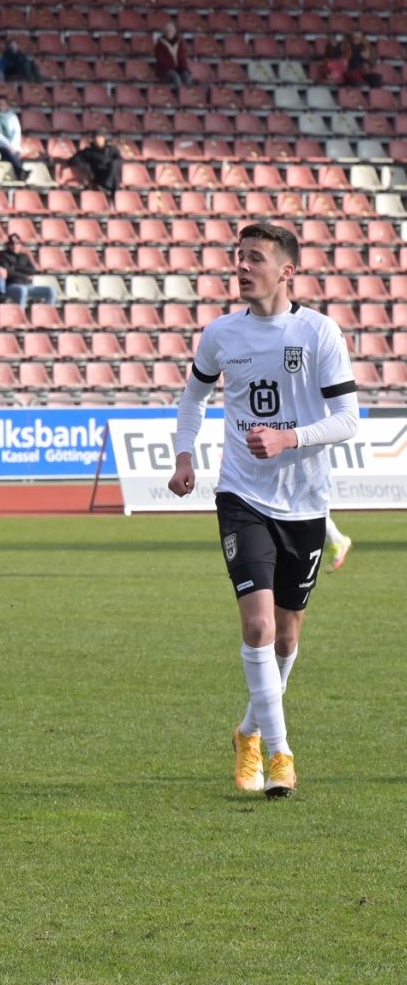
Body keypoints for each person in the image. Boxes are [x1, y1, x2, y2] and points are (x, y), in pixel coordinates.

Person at [167, 223, 359, 801]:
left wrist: (288, 438)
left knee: (286, 638)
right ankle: (280, 754)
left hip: (305, 502)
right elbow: (194, 396)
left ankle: (248, 731)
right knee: (258, 626)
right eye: (239, 257)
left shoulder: (319, 332)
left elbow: (348, 420)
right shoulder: (221, 333)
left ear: (286, 270)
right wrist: (184, 455)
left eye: (255, 258)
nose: (243, 266)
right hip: (241, 496)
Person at [0, 235, 54, 307]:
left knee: (51, 290)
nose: (15, 246)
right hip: (13, 285)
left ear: (20, 245)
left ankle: (48, 311)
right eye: (12, 244)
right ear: (8, 245)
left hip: (28, 285)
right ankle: (21, 313)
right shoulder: (3, 256)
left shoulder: (24, 256)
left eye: (17, 244)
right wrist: (24, 276)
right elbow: (9, 273)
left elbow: (32, 270)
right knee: (22, 290)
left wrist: (16, 267)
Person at [0, 94, 29, 179]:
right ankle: (20, 171)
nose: (1, 105)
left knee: (14, 154)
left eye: (3, 104)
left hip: (13, 146)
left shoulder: (12, 116)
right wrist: (8, 145)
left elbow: (17, 132)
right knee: (8, 152)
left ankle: (19, 174)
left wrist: (13, 145)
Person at [72, 128, 122, 193]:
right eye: (97, 138)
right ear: (93, 140)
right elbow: (75, 159)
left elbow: (119, 160)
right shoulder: (88, 151)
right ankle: (109, 188)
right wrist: (86, 168)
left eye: (100, 138)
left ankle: (108, 186)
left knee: (115, 164)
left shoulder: (112, 149)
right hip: (98, 176)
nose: (98, 140)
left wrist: (110, 164)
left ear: (104, 139)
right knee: (113, 167)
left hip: (112, 175)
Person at [155, 20, 193, 88]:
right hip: (165, 71)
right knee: (176, 77)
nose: (170, 33)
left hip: (178, 69)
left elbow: (182, 57)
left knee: (186, 76)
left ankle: (188, 92)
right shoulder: (160, 44)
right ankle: (178, 93)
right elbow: (161, 60)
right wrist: (173, 67)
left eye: (171, 31)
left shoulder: (180, 42)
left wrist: (183, 69)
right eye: (168, 31)